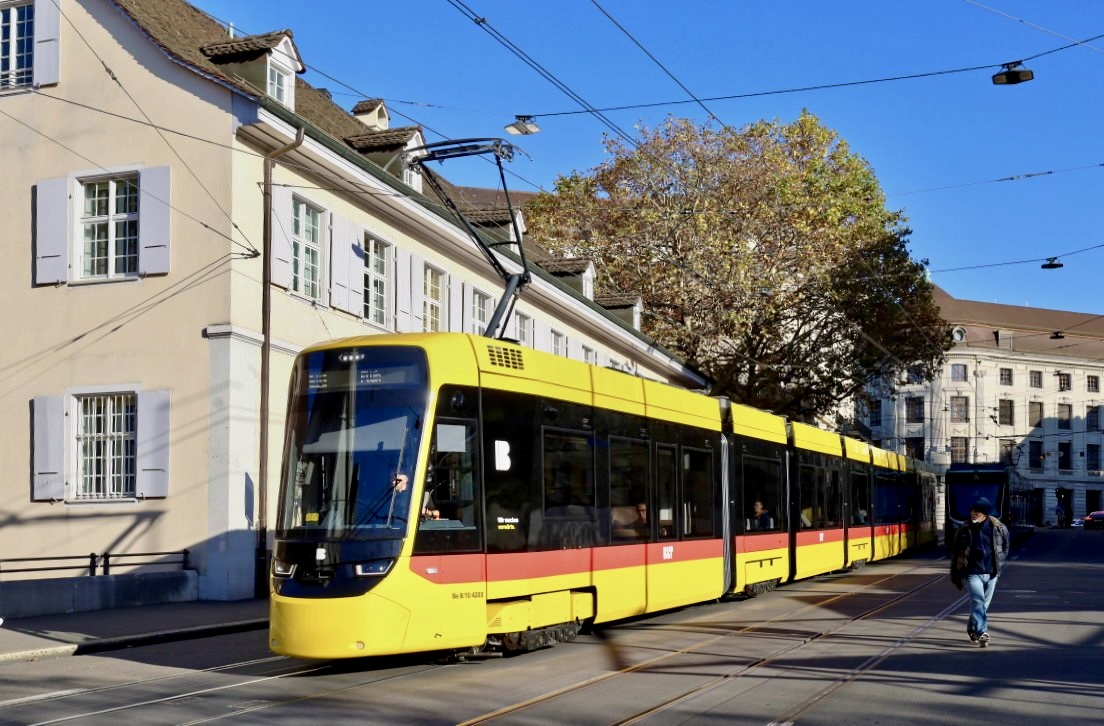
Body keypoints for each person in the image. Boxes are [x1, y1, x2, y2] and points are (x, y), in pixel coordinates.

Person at [949, 497, 1009, 648]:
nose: (973, 513)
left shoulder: (998, 528)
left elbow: (1005, 547)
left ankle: (972, 629)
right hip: (972, 572)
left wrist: (999, 562)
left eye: (977, 511)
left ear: (985, 514)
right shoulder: (964, 529)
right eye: (972, 511)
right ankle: (982, 632)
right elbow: (956, 552)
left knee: (983, 605)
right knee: (978, 601)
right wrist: (955, 575)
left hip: (991, 573)